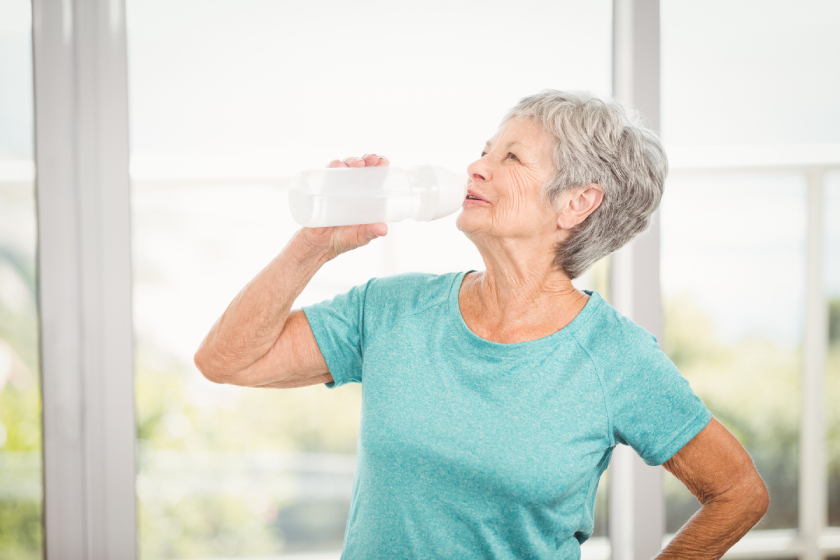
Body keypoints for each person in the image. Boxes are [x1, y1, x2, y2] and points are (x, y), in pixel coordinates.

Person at [194, 90, 769, 559]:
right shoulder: (392, 309)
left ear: (577, 203)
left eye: (511, 158)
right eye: (485, 151)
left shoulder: (614, 357)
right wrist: (313, 245)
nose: (476, 168)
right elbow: (226, 360)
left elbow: (738, 493)